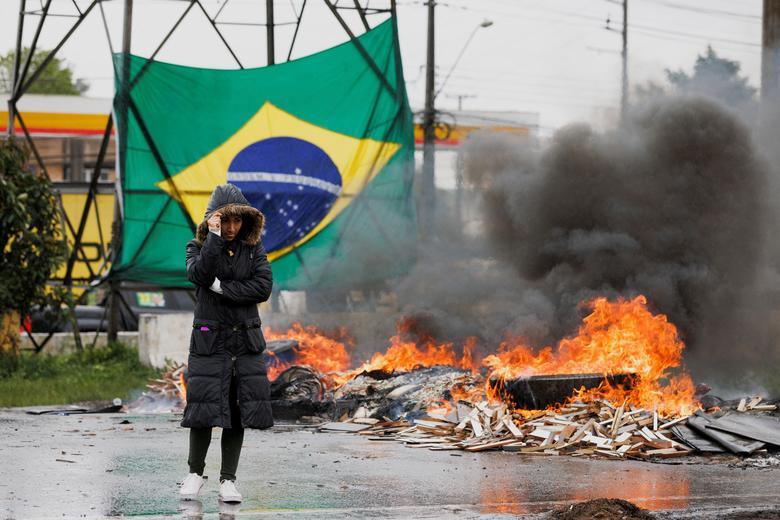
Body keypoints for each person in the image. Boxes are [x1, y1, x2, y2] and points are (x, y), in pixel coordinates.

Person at [179, 184, 273, 503]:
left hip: (244, 341)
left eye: (237, 221)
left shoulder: (254, 250)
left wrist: (222, 288)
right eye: (225, 221)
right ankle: (195, 474)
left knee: (237, 409)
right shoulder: (197, 247)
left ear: (245, 221)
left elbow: (262, 287)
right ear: (213, 221)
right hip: (210, 340)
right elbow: (199, 275)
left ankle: (228, 480)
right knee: (203, 407)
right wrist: (214, 239)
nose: (232, 227)